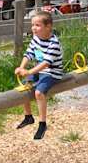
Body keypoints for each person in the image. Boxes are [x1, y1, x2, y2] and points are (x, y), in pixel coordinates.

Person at [14, 10, 63, 140]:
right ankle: (28, 116)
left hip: (52, 72)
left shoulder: (54, 43)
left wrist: (29, 72)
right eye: (32, 25)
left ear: (48, 27)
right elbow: (29, 53)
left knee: (38, 93)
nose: (34, 28)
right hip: (40, 71)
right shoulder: (36, 39)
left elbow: (46, 63)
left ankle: (42, 123)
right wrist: (22, 67)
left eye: (37, 25)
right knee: (25, 86)